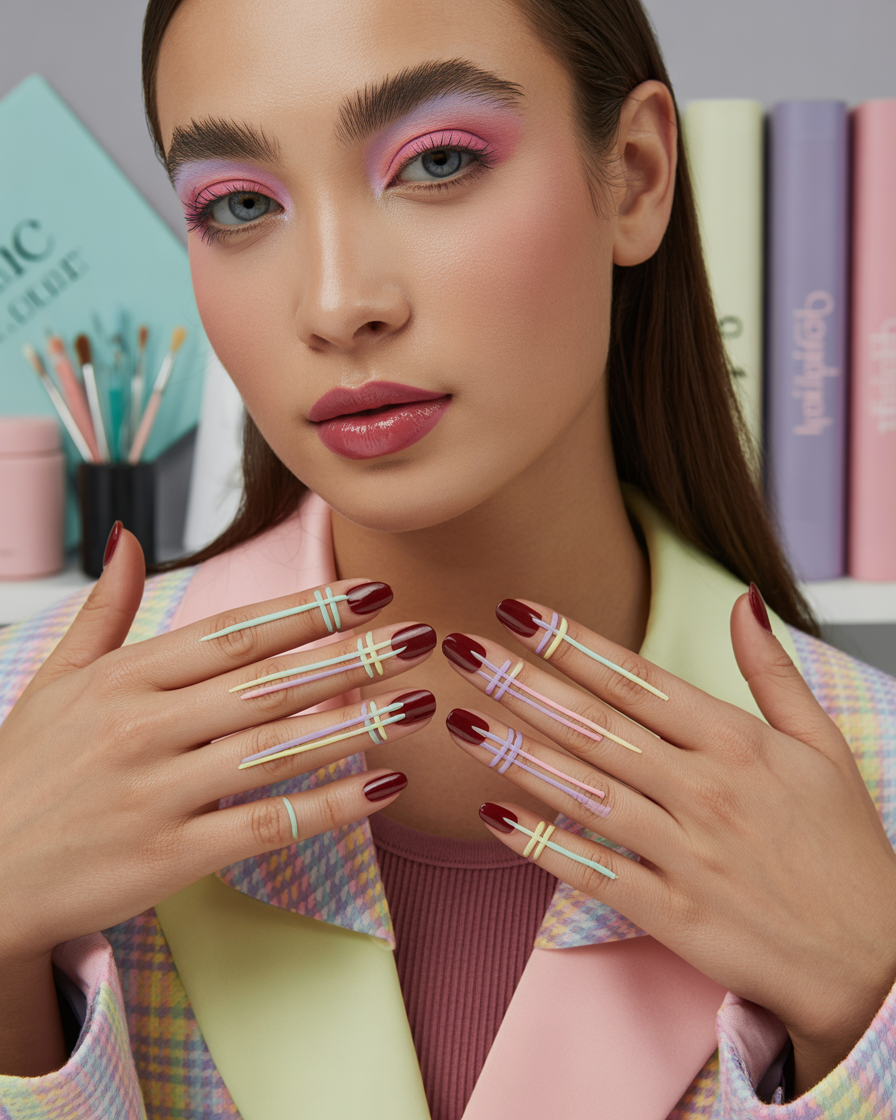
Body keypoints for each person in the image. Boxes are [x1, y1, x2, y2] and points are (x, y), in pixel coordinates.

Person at [1, 0, 895, 1116]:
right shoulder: (21, 740)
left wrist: (871, 1009)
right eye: (238, 203)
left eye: (434, 162)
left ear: (633, 173)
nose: (337, 305)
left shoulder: (873, 783)